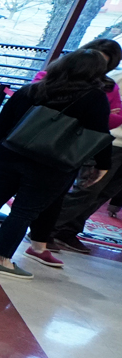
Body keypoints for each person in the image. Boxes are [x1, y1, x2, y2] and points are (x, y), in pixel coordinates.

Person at [0, 49, 114, 279]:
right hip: (51, 163)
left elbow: (2, 124)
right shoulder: (93, 98)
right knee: (24, 211)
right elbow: (98, 134)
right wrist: (102, 165)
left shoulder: (33, 89)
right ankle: (1, 259)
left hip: (9, 153)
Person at [49, 40, 122, 254]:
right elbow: (111, 114)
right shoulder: (115, 79)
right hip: (112, 141)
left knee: (105, 193)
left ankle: (68, 231)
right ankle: (46, 229)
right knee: (87, 189)